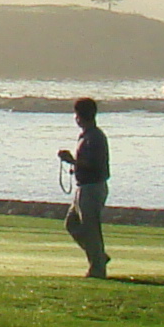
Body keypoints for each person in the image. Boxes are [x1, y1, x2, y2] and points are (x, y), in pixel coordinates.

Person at [58, 97, 110, 278]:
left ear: (80, 116)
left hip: (92, 187)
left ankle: (97, 268)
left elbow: (93, 165)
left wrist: (71, 161)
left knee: (91, 228)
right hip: (84, 186)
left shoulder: (94, 137)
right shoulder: (88, 136)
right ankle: (99, 257)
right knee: (72, 223)